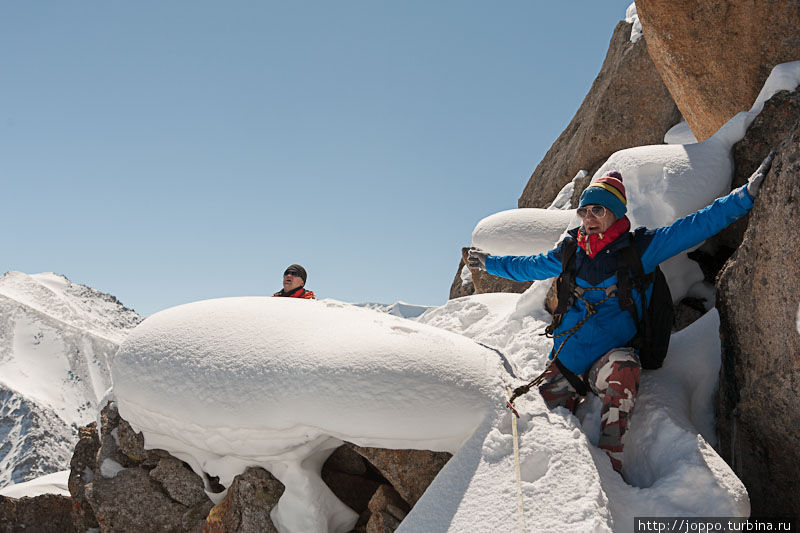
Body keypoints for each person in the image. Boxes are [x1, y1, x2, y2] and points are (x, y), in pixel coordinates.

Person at [467, 153, 775, 474]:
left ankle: (609, 460)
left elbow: (696, 225)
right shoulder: (571, 252)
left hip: (607, 363)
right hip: (565, 363)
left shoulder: (640, 250)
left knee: (625, 367)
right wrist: (490, 263)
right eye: (584, 211)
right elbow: (527, 266)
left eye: (597, 210)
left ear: (615, 212)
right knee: (537, 434)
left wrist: (745, 196)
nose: (588, 218)